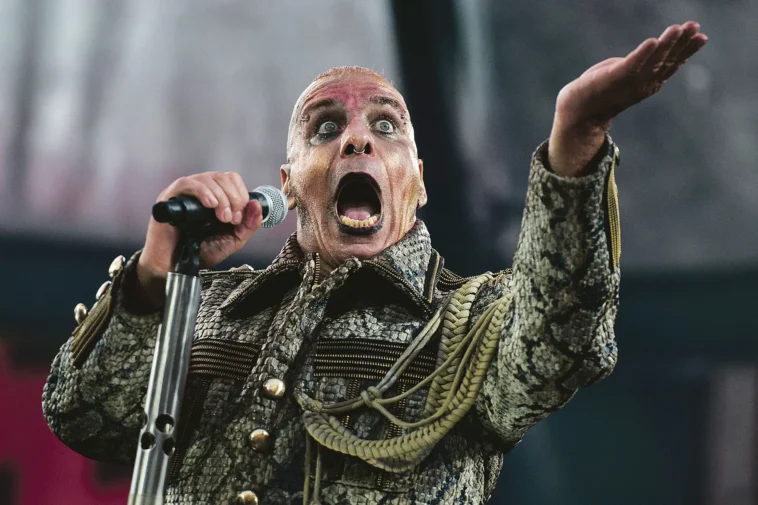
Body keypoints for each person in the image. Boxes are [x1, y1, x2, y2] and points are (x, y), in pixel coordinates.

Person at [42, 22, 707, 505]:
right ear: (289, 183)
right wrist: (155, 274)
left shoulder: (471, 321)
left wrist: (576, 137)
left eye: (386, 127)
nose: (357, 137)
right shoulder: (203, 302)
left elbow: (564, 341)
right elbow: (84, 417)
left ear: (417, 181)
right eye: (325, 128)